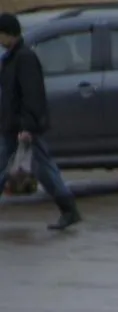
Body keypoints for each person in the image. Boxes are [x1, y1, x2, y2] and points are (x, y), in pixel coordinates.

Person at [0, 13, 82, 231]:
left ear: (8, 34)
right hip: (11, 125)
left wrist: (27, 127)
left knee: (44, 169)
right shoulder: (11, 57)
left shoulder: (24, 58)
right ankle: (69, 210)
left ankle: (69, 209)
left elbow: (32, 95)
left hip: (23, 127)